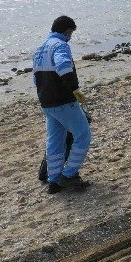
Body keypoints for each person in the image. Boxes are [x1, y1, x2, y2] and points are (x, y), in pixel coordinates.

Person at [33, 15, 92, 194]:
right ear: (67, 30)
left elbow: (35, 79)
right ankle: (69, 175)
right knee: (83, 135)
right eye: (71, 33)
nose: (71, 37)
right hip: (63, 101)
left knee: (55, 141)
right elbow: (63, 66)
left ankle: (54, 180)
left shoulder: (40, 49)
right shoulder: (60, 45)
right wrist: (75, 89)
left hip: (46, 102)